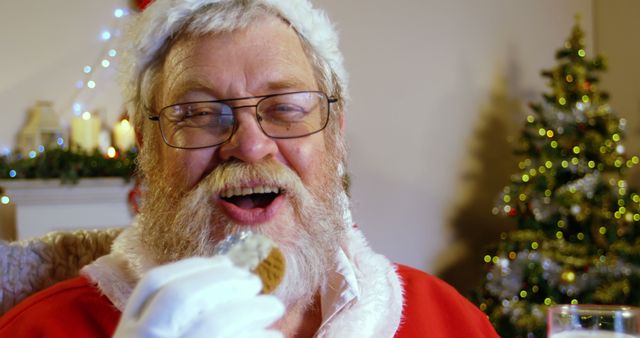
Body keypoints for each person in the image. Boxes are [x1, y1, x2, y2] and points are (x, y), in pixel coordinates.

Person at [0, 0, 499, 337]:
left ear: (335, 132)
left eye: (285, 107)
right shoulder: (39, 328)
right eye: (197, 113)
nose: (251, 145)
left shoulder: (449, 321)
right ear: (147, 146)